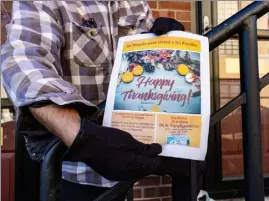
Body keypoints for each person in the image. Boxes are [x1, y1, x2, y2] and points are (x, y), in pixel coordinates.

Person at [1, 1, 203, 201]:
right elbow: (23, 60)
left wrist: (162, 40)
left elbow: (141, 64)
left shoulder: (135, 3)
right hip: (76, 172)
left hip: (131, 156)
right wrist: (84, 140)